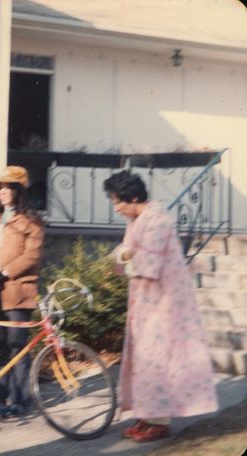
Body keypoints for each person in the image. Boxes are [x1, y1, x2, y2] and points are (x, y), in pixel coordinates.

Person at [103, 170, 218, 443]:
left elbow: (148, 263)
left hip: (166, 302)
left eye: (118, 201)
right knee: (143, 358)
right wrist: (125, 254)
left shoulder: (158, 219)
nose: (116, 207)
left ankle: (160, 419)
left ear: (133, 197)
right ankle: (147, 413)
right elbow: (124, 254)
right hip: (146, 299)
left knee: (158, 359)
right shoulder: (136, 220)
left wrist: (127, 255)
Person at [0, 166, 45, 419]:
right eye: (0, 187)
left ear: (19, 190)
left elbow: (32, 256)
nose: (3, 192)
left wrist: (4, 272)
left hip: (18, 293)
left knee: (18, 348)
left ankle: (20, 400)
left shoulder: (32, 221)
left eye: (8, 187)